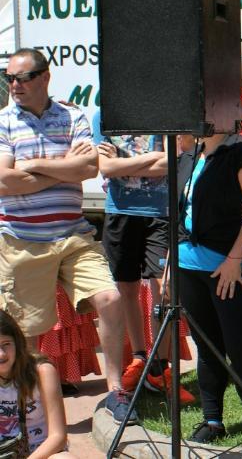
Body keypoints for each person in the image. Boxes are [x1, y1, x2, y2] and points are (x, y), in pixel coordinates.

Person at [0, 48, 133, 424]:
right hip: (23, 239)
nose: (14, 85)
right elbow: (3, 181)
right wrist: (63, 168)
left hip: (74, 235)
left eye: (21, 78)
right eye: (9, 78)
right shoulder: (4, 121)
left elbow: (88, 167)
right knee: (25, 331)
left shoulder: (72, 115)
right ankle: (26, 408)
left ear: (44, 77)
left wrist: (33, 166)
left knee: (108, 298)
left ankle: (115, 394)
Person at [175, 132, 242, 447]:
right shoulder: (192, 154)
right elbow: (178, 212)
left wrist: (235, 259)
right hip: (188, 267)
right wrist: (170, 264)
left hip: (230, 270)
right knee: (207, 347)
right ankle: (212, 419)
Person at [96, 134, 195, 405]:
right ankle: (140, 358)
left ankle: (159, 367)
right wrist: (147, 162)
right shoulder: (105, 116)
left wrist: (123, 163)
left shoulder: (159, 112)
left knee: (165, 289)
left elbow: (168, 165)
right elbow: (106, 168)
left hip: (159, 213)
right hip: (119, 211)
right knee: (126, 289)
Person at [0, 310, 77, 459]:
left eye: (6, 344)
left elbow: (58, 436)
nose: (2, 354)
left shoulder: (41, 371)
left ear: (18, 342)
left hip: (40, 453)